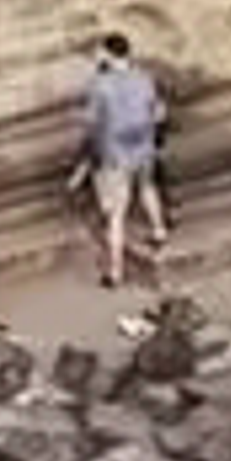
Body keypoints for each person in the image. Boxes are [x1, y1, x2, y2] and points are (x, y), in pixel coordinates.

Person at [77, 32, 168, 284]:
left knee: (116, 214)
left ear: (107, 54)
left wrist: (88, 156)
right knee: (148, 188)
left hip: (115, 153)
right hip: (144, 148)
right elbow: (158, 112)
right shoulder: (144, 78)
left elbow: (92, 123)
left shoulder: (100, 84)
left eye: (100, 52)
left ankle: (115, 272)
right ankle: (159, 230)